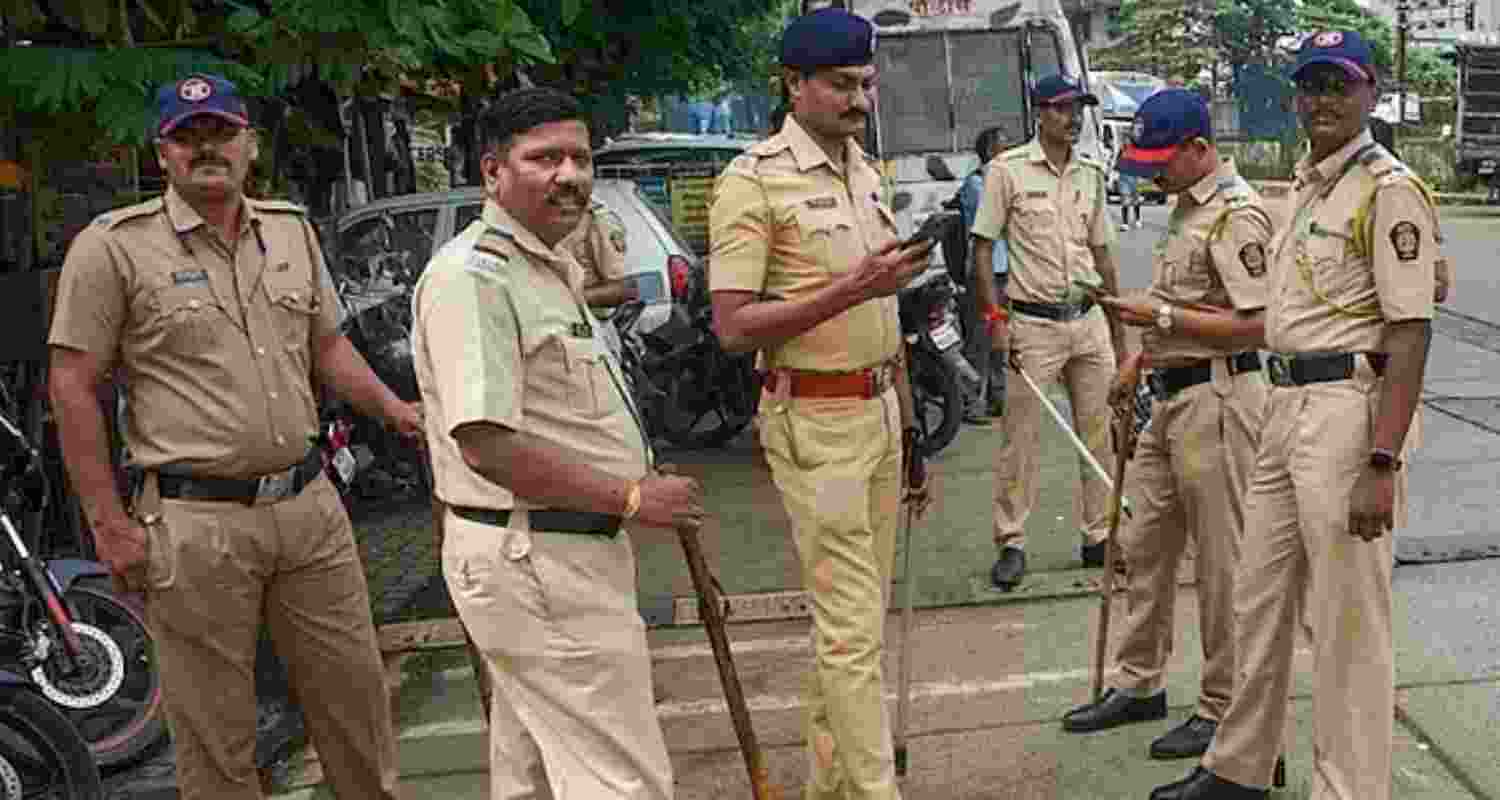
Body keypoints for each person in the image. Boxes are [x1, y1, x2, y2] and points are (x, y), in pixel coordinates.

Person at [47, 73, 419, 800]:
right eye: (188, 137)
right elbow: (71, 386)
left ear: (249, 145)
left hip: (310, 510)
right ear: (164, 154)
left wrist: (397, 411)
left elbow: (328, 347)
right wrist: (109, 524)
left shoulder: (289, 230)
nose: (205, 148)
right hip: (194, 524)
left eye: (220, 132)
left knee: (358, 708)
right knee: (217, 738)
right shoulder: (113, 249)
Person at [1151, 31, 1439, 800]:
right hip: (1283, 404)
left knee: (1346, 622)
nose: (1322, 100)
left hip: (1347, 411)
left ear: (1372, 93)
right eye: (1310, 85)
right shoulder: (1307, 184)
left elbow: (1410, 332)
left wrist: (1383, 461)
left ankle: (1349, 789)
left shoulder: (1390, 188)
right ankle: (1241, 766)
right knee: (1258, 597)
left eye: (1338, 85)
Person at [412, 87, 703, 799]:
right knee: (620, 779)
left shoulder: (547, 267)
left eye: (580, 158)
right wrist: (633, 493)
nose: (569, 174)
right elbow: (487, 443)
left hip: (559, 551)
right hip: (537, 557)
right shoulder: (473, 278)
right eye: (544, 158)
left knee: (534, 774)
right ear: (492, 173)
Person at [708, 9, 935, 798]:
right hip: (816, 420)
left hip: (876, 412)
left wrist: (909, 425)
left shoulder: (864, 172)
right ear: (793, 84)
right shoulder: (754, 181)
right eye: (842, 86)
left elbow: (885, 318)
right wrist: (851, 287)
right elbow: (734, 327)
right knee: (849, 632)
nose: (860, 101)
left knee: (851, 631)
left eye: (866, 84)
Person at [1059, 90, 1273, 763]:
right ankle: (1140, 681)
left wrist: (1160, 322)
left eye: (1162, 160)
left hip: (1221, 400)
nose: (1152, 175)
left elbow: (1260, 324)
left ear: (1199, 149)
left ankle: (1223, 708)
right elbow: (1176, 303)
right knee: (1144, 545)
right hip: (1168, 397)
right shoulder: (1186, 210)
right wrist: (1135, 363)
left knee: (1221, 564)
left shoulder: (1238, 217)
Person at [970, 73, 1126, 590]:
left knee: (1100, 434)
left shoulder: (1090, 174)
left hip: (1088, 320)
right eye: (1061, 108)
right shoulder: (1007, 171)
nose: (1073, 117)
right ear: (1040, 113)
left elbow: (1102, 252)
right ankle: (1011, 542)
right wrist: (995, 321)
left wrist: (1119, 326)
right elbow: (983, 247)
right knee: (1021, 441)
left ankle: (1098, 537)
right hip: (1031, 325)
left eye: (1077, 108)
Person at [958, 126, 1012, 421]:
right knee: (979, 340)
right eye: (1004, 147)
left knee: (1000, 339)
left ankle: (998, 398)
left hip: (1003, 273)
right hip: (982, 274)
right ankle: (971, 402)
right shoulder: (976, 185)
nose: (1009, 151)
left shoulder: (999, 183)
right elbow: (996, 221)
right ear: (991, 152)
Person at [566, 196, 639, 308]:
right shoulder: (543, 217)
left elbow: (623, 288)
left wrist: (568, 301)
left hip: (589, 318)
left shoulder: (596, 220)